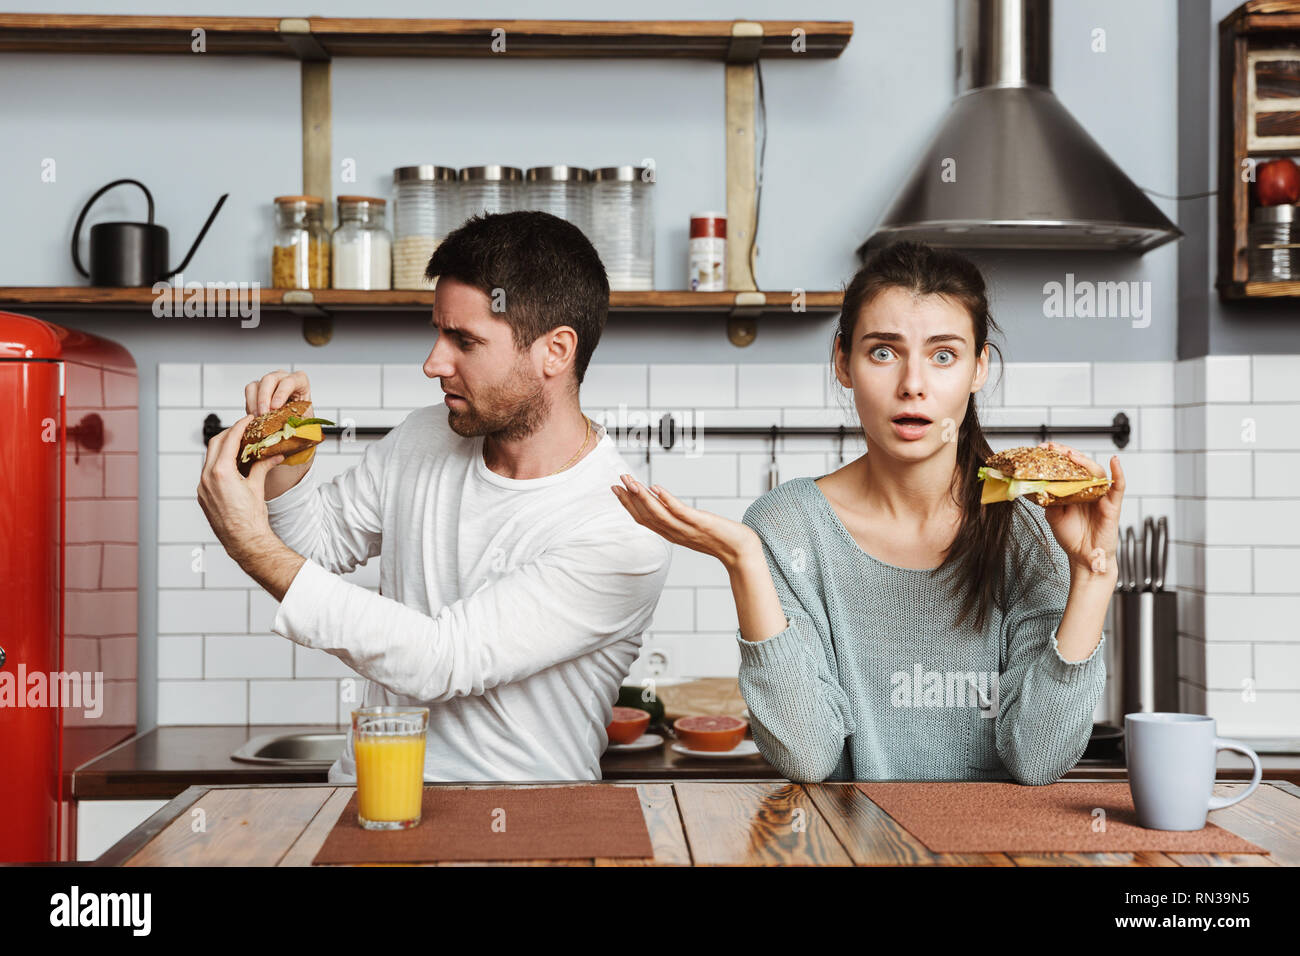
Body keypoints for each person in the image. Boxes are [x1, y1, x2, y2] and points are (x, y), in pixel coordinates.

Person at [612, 240, 1122, 785]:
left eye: (943, 355)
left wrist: (1090, 577)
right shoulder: (787, 528)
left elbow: (1037, 760)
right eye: (884, 351)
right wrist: (745, 562)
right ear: (843, 362)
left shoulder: (1026, 530)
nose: (913, 385)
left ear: (979, 369)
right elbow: (809, 758)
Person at [197, 211, 672, 783]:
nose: (433, 363)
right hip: (372, 803)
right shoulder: (424, 437)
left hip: (530, 828)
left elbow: (439, 660)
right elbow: (316, 549)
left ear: (556, 351)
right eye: (437, 332)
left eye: (464, 340)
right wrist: (288, 460)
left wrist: (248, 543)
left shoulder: (619, 527)